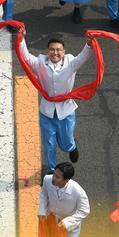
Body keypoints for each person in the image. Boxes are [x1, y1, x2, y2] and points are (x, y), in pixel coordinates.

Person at [16, 34, 94, 173]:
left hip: (66, 110)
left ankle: (71, 146)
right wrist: (21, 39)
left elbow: (83, 58)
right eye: (52, 49)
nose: (55, 52)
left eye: (58, 50)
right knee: (49, 144)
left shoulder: (71, 62)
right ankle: (51, 170)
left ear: (63, 52)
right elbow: (26, 57)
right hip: (47, 111)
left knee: (65, 143)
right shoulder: (40, 63)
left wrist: (88, 44)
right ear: (48, 51)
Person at [38, 163, 90, 237]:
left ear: (66, 180)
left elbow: (84, 211)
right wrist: (42, 210)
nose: (53, 178)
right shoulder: (47, 179)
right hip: (53, 219)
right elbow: (44, 195)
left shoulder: (79, 192)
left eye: (57, 177)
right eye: (54, 174)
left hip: (70, 225)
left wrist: (67, 222)